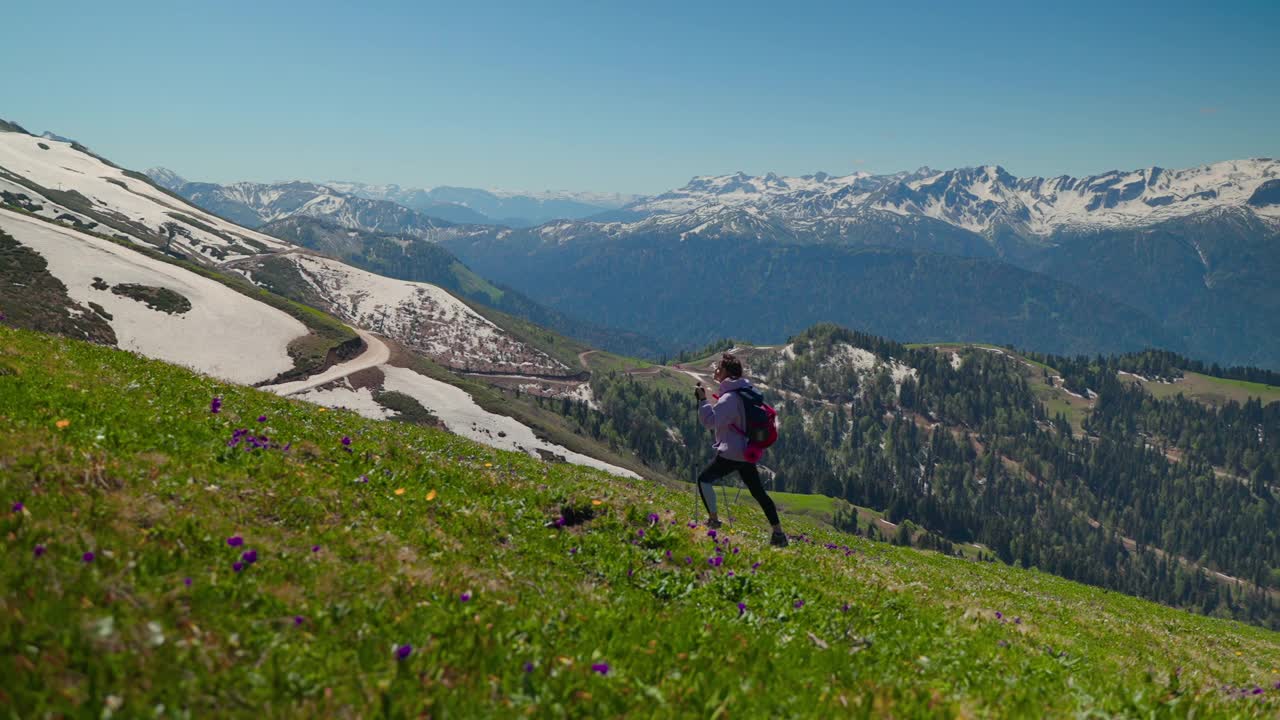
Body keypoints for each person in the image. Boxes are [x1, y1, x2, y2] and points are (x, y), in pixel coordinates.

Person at [695, 352, 788, 547]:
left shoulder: (729, 397)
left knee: (704, 480)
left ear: (727, 372)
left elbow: (710, 421)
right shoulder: (745, 391)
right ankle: (778, 533)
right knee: (758, 492)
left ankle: (713, 519)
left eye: (719, 368)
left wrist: (703, 401)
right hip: (747, 451)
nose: (715, 371)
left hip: (731, 452)